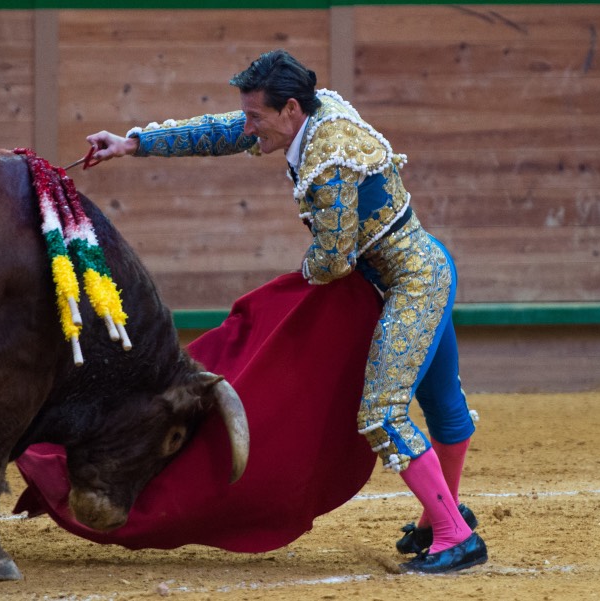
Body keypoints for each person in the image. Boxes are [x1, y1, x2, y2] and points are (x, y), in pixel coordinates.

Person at [85, 49, 486, 573]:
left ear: (290, 109)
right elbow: (225, 131)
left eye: (256, 116)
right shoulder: (313, 113)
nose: (248, 126)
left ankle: (455, 535)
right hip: (426, 268)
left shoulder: (329, 159)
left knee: (384, 414)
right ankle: (441, 516)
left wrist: (302, 277)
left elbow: (334, 259)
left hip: (411, 286)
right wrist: (133, 143)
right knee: (441, 403)